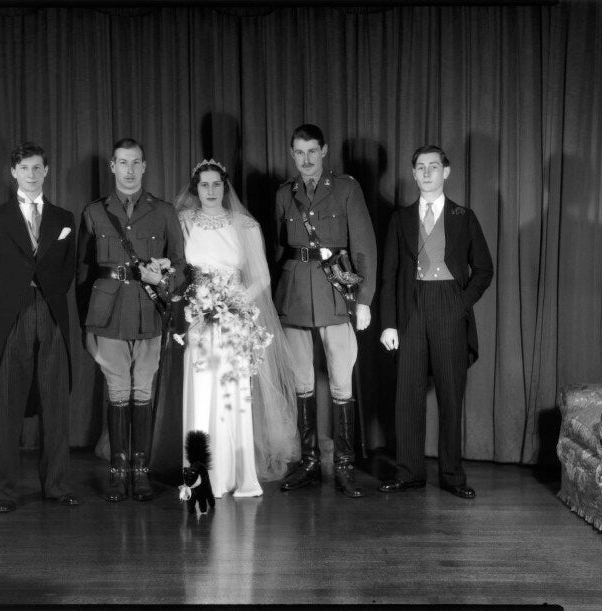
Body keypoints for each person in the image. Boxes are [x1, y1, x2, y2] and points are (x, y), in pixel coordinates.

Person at [175, 159, 299, 498]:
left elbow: (261, 277)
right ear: (195, 189)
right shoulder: (182, 222)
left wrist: (231, 303)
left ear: (225, 187)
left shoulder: (244, 225)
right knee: (201, 395)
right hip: (198, 320)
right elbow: (176, 269)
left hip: (233, 322)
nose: (211, 191)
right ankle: (200, 475)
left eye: (217, 184)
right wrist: (199, 304)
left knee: (231, 398)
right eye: (204, 185)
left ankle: (236, 473)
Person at [378, 145, 493, 499]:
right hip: (410, 310)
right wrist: (388, 324)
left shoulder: (464, 217)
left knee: (450, 394)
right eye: (420, 167)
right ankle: (409, 472)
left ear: (446, 172)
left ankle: (452, 476)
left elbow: (484, 270)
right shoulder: (400, 218)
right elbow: (390, 275)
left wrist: (460, 303)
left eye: (433, 166)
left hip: (449, 308)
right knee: (408, 395)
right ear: (413, 174)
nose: (426, 172)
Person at [76, 138, 185, 503]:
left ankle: (140, 471)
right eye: (122, 162)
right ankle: (117, 471)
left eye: (135, 162)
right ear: (112, 166)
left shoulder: (164, 211)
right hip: (106, 312)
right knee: (117, 392)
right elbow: (83, 272)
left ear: (144, 166)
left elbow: (182, 266)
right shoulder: (94, 212)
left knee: (143, 391)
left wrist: (166, 280)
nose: (129, 169)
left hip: (149, 310)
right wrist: (83, 324)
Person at [0, 141, 79, 513]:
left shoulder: (64, 218)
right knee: (9, 406)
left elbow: (69, 269)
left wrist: (47, 295)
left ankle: (57, 485)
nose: (31, 175)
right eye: (24, 169)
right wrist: (7, 306)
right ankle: (5, 491)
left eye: (37, 168)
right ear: (13, 172)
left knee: (55, 405)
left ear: (46, 171)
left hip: (51, 312)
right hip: (13, 317)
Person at [274, 124, 377, 498]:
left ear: (324, 151)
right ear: (292, 154)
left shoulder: (347, 188)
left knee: (341, 382)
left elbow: (364, 245)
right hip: (295, 294)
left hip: (335, 293)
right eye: (299, 152)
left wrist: (363, 300)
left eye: (312, 152)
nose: (306, 159)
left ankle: (345, 464)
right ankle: (309, 461)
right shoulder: (285, 193)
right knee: (302, 382)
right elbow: (277, 248)